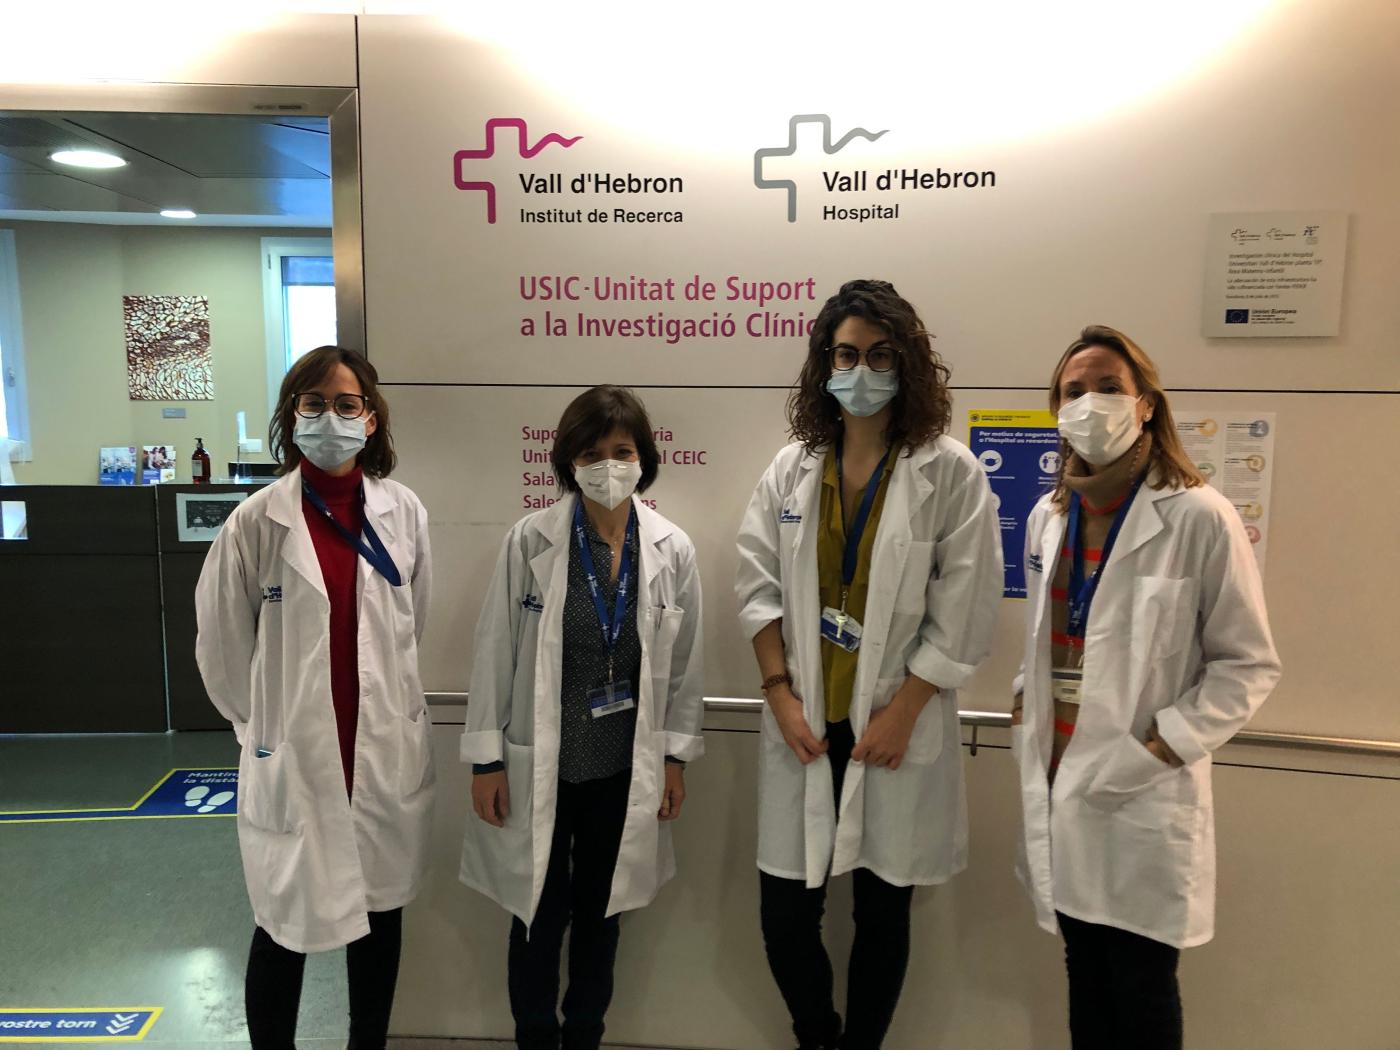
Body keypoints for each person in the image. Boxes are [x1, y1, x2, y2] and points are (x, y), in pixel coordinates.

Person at [735, 279, 1003, 1050]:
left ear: (907, 363)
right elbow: (755, 587)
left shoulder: (949, 472)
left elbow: (967, 607)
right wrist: (779, 692)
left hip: (893, 724)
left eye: (880, 356)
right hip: (805, 722)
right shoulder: (792, 468)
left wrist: (905, 711)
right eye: (847, 354)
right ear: (825, 362)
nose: (862, 371)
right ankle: (819, 1037)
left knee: (883, 916)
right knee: (785, 916)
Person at [1010, 325, 1281, 1050]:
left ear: (1147, 404)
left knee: (1141, 989)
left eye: (1108, 387)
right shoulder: (1048, 518)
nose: (1088, 403)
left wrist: (1162, 747)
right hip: (1061, 772)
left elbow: (1247, 663)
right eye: (1073, 391)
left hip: (1142, 788)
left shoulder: (1198, 514)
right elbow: (1048, 634)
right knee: (1084, 974)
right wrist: (1025, 696)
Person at [195, 345, 434, 1050]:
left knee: (379, 918)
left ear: (371, 418)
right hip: (296, 756)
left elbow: (414, 621)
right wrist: (264, 731)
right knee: (282, 926)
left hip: (379, 749)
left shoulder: (403, 512)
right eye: (315, 403)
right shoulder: (256, 522)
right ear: (291, 413)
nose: (331, 417)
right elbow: (221, 650)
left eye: (347, 404)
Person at [460, 384, 704, 1050]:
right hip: (542, 765)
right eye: (592, 454)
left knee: (603, 917)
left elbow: (685, 665)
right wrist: (486, 762)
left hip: (623, 771)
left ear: (643, 458)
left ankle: (586, 1036)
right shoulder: (531, 541)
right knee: (537, 917)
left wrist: (675, 759)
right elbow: (495, 652)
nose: (607, 466)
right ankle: (536, 1037)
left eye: (621, 451)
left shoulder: (672, 549)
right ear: (569, 460)